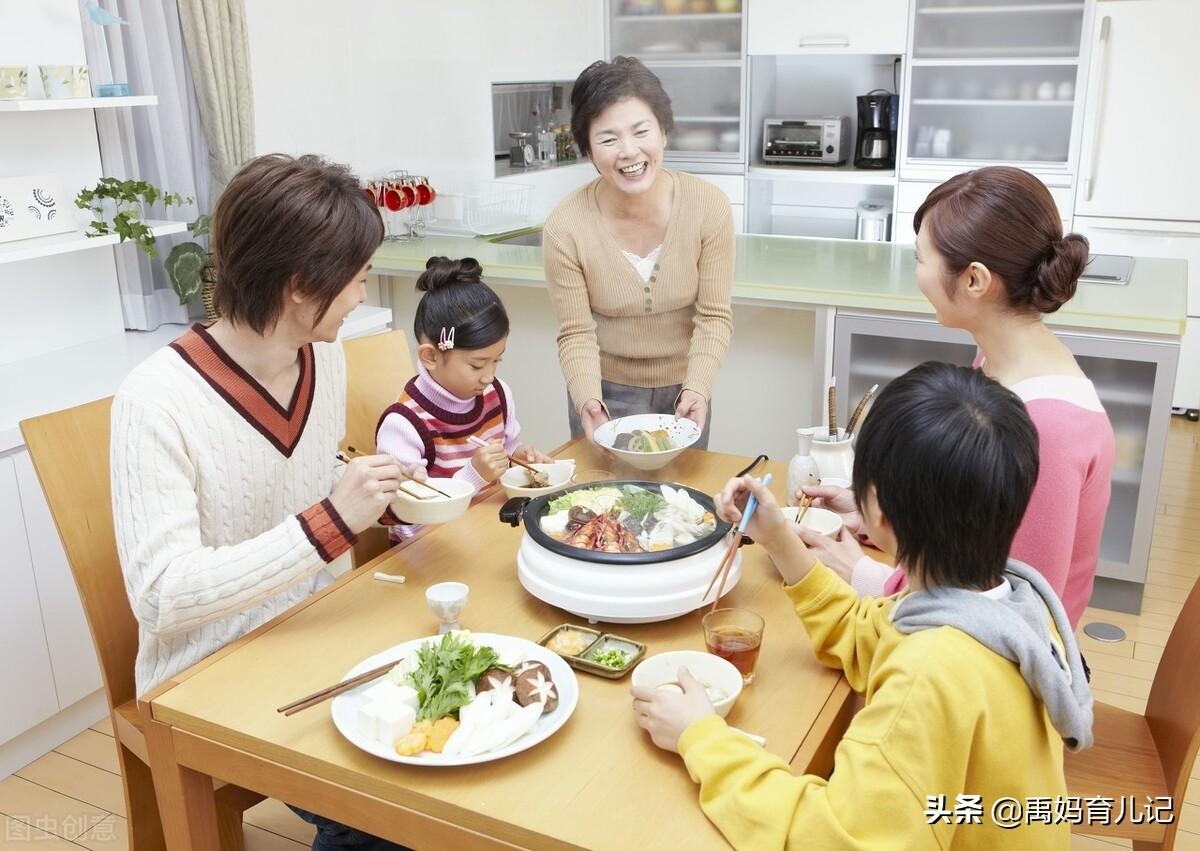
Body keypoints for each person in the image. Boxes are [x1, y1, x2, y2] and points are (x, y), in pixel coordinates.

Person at [632, 362, 1093, 849]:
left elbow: (831, 838)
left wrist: (700, 737)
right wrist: (779, 538)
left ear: (877, 509)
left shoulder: (928, 676)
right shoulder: (1001, 605)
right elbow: (866, 632)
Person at [111, 153, 421, 851]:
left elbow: (301, 479)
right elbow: (160, 596)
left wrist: (371, 492)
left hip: (320, 629)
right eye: (358, 275)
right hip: (206, 671)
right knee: (387, 807)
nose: (362, 291)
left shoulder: (322, 354)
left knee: (455, 717)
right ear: (301, 287)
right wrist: (329, 524)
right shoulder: (155, 401)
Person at [799, 166, 1114, 628]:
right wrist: (879, 516)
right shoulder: (999, 360)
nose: (918, 275)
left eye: (921, 259)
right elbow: (975, 523)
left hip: (1007, 661)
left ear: (974, 280)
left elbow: (1017, 611)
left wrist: (867, 576)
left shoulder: (1049, 427)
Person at [544, 56, 734, 449]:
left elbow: (714, 316)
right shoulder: (566, 225)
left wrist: (698, 388)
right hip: (604, 393)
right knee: (602, 491)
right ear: (588, 150)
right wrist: (588, 399)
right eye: (608, 139)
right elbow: (576, 331)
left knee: (684, 490)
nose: (628, 151)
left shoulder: (708, 206)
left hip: (685, 394)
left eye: (641, 131)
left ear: (663, 131)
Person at [375, 256, 552, 540]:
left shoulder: (497, 394)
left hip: (486, 533)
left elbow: (506, 451)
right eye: (477, 365)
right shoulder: (404, 424)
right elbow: (408, 516)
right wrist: (474, 475)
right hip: (429, 549)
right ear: (431, 356)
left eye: (497, 360)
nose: (489, 376)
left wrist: (517, 460)